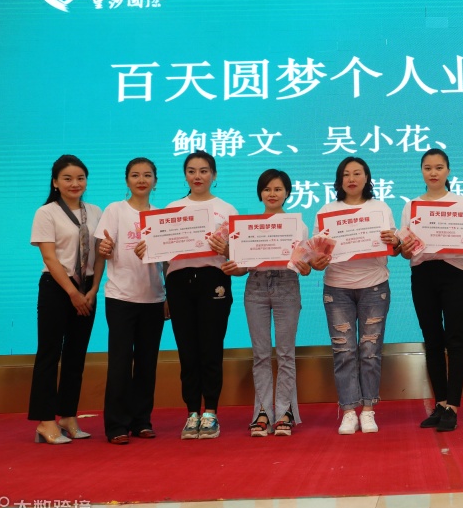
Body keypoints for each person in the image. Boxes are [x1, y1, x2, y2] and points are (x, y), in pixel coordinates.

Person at [135, 150, 236, 439]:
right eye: (192, 171)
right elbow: (164, 257)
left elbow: (239, 254)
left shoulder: (226, 209)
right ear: (185, 175)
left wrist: (226, 249)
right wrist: (147, 251)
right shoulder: (172, 208)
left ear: (214, 175)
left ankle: (211, 412)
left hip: (214, 281)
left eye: (204, 171)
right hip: (178, 283)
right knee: (187, 350)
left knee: (211, 348)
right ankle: (192, 412)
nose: (197, 176)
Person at [399, 149, 463, 432]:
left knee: (455, 339)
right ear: (421, 172)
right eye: (428, 168)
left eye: (439, 167)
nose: (433, 173)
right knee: (432, 340)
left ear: (448, 170)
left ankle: (453, 406)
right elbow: (405, 251)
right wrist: (405, 246)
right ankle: (440, 403)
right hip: (422, 274)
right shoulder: (411, 206)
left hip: (454, 274)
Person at [222, 169, 312, 437]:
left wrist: (306, 267)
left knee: (285, 354)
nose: (272, 194)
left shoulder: (298, 225)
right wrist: (233, 267)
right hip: (256, 288)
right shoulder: (247, 227)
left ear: (287, 193)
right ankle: (262, 412)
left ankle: (285, 412)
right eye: (267, 189)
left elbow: (305, 266)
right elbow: (242, 268)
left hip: (287, 286)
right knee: (260, 354)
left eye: (278, 189)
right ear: (260, 193)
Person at [313, 157, 399, 435]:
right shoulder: (327, 212)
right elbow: (317, 256)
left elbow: (395, 247)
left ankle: (369, 410)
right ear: (339, 180)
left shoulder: (380, 208)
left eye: (357, 173)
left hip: (374, 285)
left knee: (370, 351)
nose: (352, 179)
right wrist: (318, 260)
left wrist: (394, 241)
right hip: (337, 288)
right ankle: (349, 411)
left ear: (367, 178)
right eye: (346, 174)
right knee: (344, 351)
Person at [29, 154, 103, 444]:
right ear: (55, 182)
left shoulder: (95, 211)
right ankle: (45, 421)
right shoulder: (46, 212)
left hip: (87, 289)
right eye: (68, 178)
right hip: (57, 287)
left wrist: (93, 290)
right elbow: (49, 257)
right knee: (50, 353)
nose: (75, 183)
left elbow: (100, 255)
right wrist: (73, 293)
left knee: (76, 355)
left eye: (80, 178)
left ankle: (68, 416)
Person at [95, 158, 168, 445]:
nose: (141, 180)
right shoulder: (115, 210)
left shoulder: (161, 216)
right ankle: (116, 425)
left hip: (153, 297)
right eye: (135, 175)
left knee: (147, 363)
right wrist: (104, 247)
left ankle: (141, 421)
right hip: (120, 297)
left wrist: (169, 296)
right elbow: (102, 248)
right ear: (127, 180)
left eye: (147, 175)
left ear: (155, 181)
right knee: (120, 363)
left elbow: (168, 262)